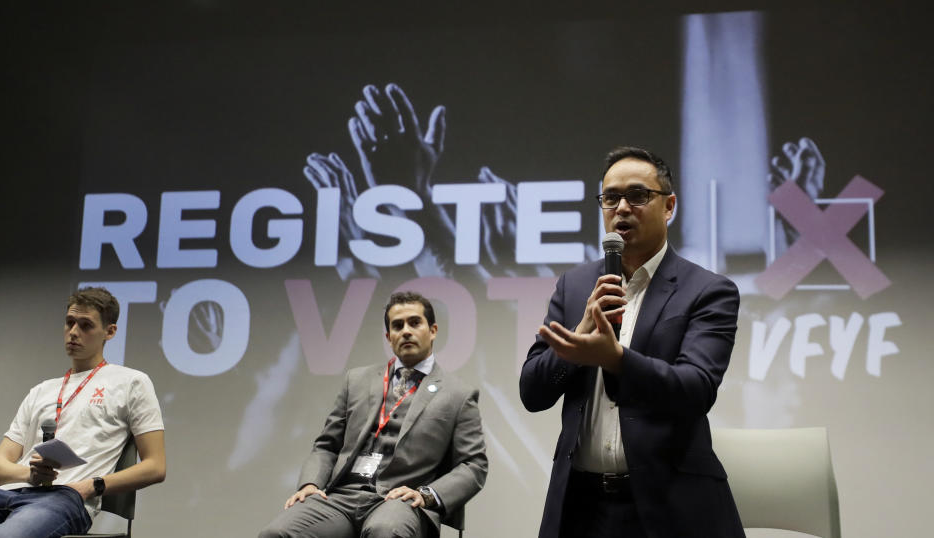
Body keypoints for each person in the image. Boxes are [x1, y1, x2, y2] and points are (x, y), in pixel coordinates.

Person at [519, 147, 744, 537]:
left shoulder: (708, 290)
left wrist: (618, 359)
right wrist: (585, 326)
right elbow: (533, 392)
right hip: (580, 509)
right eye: (610, 198)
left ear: (669, 206)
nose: (621, 208)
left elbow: (695, 389)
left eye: (638, 196)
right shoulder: (575, 287)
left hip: (669, 507)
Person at [259, 291, 487, 538]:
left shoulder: (458, 394)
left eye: (414, 322)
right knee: (276, 534)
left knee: (385, 531)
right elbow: (326, 445)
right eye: (397, 326)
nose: (406, 331)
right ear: (389, 337)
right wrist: (310, 483)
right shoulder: (356, 380)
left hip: (400, 501)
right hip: (341, 498)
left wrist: (426, 494)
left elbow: (473, 465)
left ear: (433, 330)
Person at [0, 287, 166, 537]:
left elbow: (155, 466)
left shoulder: (131, 382)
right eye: (70, 322)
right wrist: (31, 474)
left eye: (86, 325)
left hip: (64, 498)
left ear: (110, 331)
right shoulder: (41, 390)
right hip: (3, 495)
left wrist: (92, 486)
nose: (74, 332)